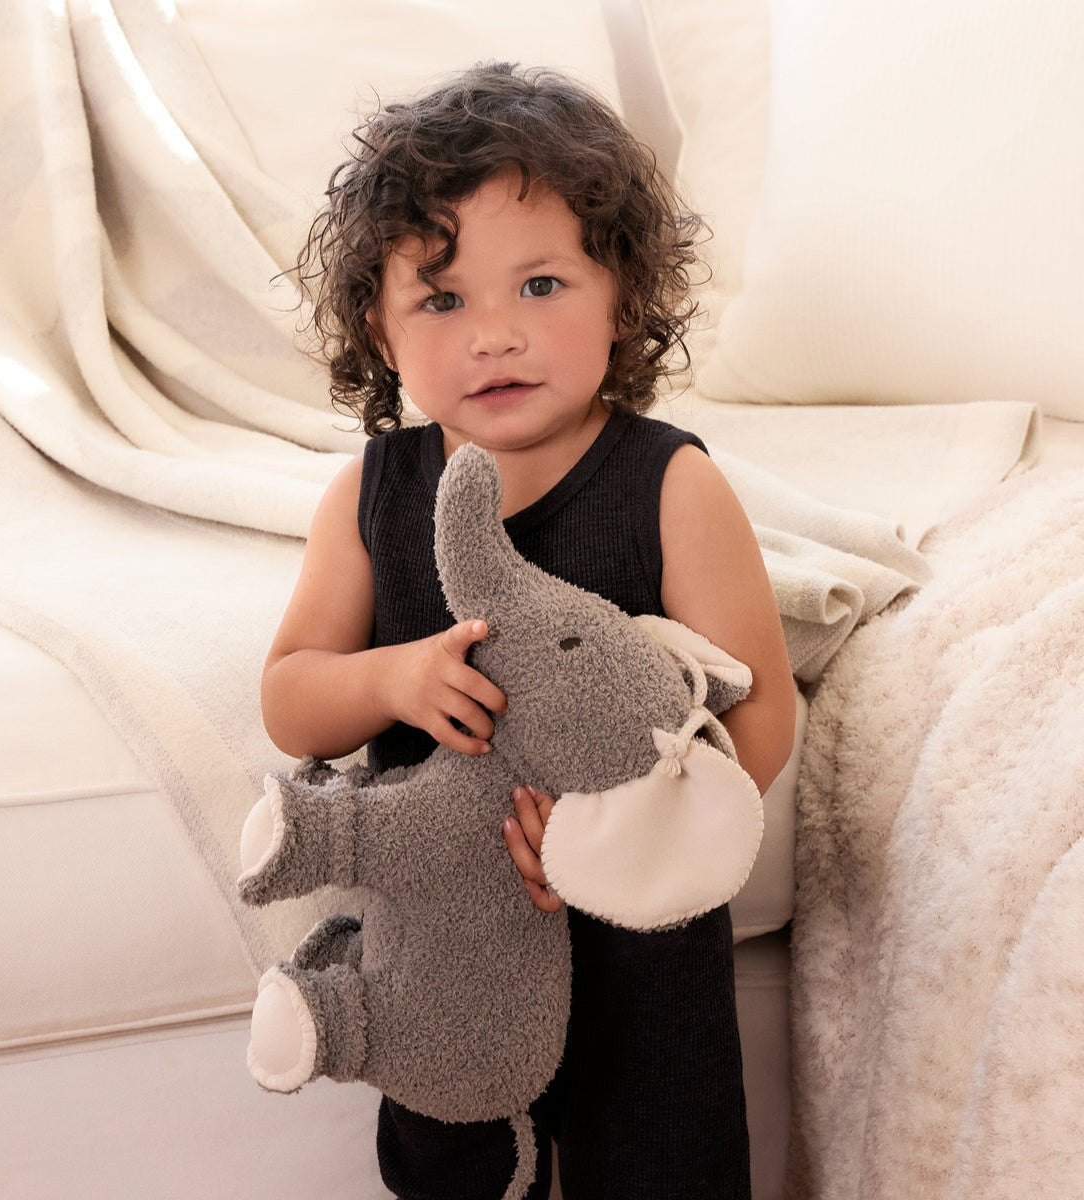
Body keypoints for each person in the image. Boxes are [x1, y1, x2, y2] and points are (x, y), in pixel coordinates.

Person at [261, 61, 796, 1200]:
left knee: (664, 1157)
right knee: (452, 1157)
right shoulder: (373, 495)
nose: (495, 335)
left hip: (637, 937)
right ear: (380, 330)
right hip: (446, 944)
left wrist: (628, 835)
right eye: (442, 301)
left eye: (541, 285)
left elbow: (761, 709)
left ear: (621, 296)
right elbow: (292, 694)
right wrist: (392, 680)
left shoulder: (671, 484)